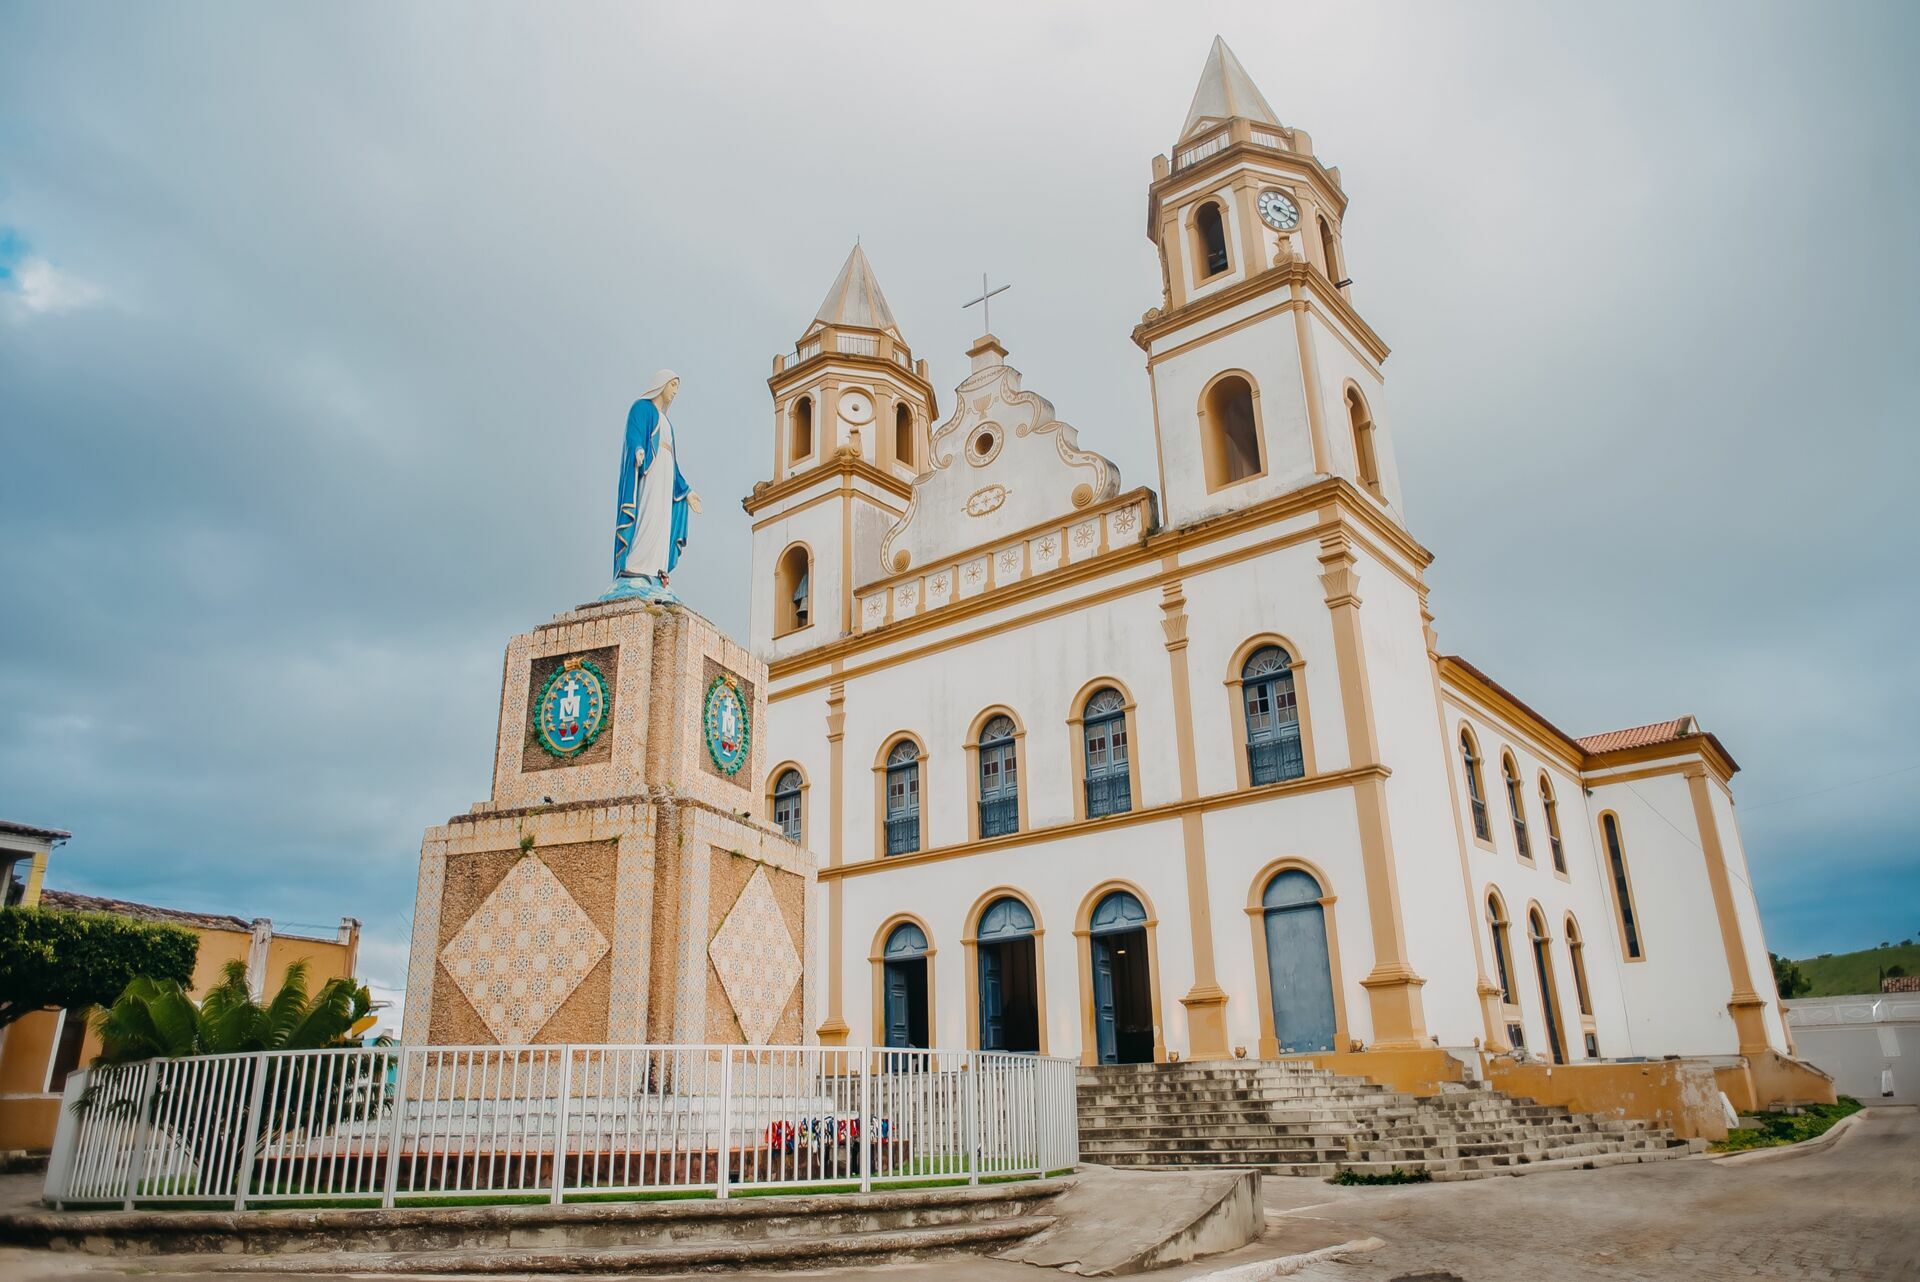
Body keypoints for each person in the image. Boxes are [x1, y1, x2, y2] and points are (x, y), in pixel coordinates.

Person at [606, 369, 701, 601]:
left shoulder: (668, 423)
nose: (675, 392)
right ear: (661, 384)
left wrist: (687, 492)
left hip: (666, 477)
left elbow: (674, 463)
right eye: (673, 385)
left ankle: (655, 571)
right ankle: (636, 566)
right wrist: (638, 449)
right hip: (649, 471)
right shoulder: (642, 408)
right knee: (647, 515)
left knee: (661, 521)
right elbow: (634, 433)